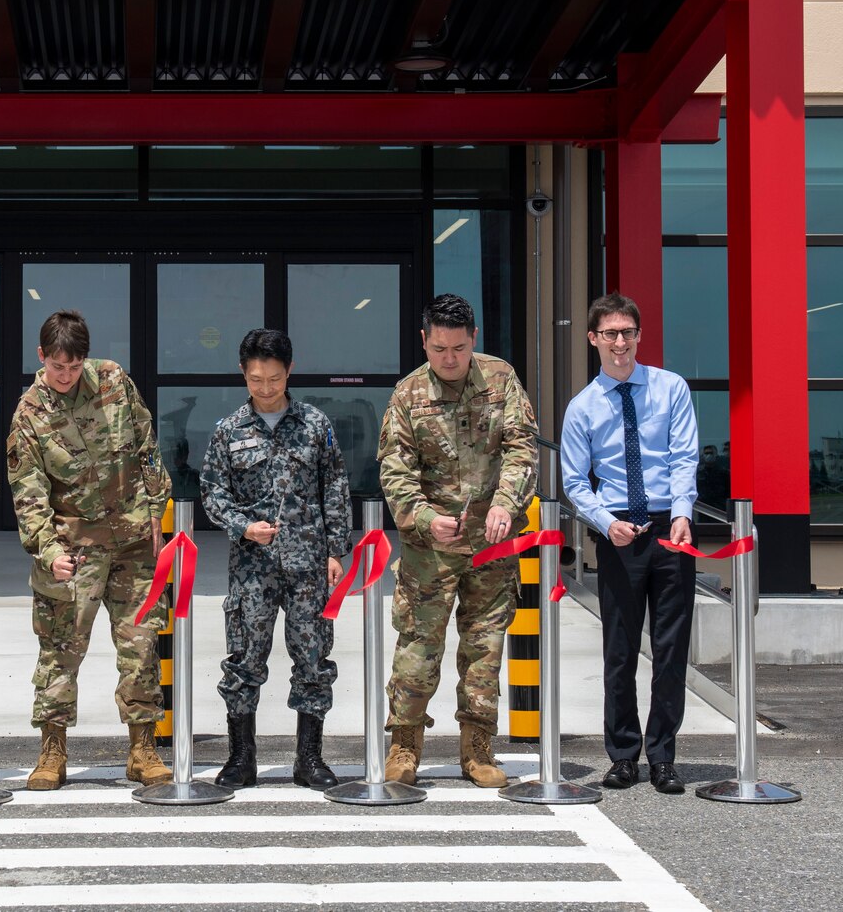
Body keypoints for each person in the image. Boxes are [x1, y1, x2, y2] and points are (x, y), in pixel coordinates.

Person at [6, 309, 172, 791]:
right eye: (58, 367)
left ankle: (142, 749)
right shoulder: (30, 414)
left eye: (74, 367)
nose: (66, 376)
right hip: (73, 549)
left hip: (133, 540)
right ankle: (52, 750)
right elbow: (28, 490)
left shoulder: (114, 380)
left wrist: (155, 510)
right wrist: (47, 549)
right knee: (61, 651)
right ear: (41, 357)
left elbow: (147, 447)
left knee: (140, 646)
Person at [379, 294, 538, 787]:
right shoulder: (408, 395)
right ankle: (405, 745)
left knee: (484, 648)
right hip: (431, 551)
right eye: (440, 348)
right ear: (424, 340)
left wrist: (505, 504)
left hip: (490, 545)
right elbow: (394, 469)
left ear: (475, 341)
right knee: (418, 648)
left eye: (460, 348)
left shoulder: (500, 378)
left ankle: (478, 749)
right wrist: (425, 518)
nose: (449, 359)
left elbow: (522, 447)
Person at [559, 292, 699, 794]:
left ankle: (663, 756)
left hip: (670, 530)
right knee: (619, 650)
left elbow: (684, 458)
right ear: (593, 339)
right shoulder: (582, 408)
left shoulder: (671, 389)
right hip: (617, 534)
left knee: (670, 649)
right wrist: (603, 521)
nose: (620, 342)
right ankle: (622, 755)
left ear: (639, 336)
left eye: (628, 332)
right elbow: (575, 482)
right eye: (610, 333)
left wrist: (682, 513)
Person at [200, 328, 350, 789]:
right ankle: (241, 758)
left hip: (308, 567)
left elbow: (335, 489)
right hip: (252, 568)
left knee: (312, 658)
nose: (266, 389)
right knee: (244, 659)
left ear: (290, 372)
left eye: (275, 378)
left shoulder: (314, 425)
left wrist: (335, 550)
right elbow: (211, 492)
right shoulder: (229, 431)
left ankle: (309, 759)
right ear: (243, 375)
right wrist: (243, 526)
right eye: (256, 379)